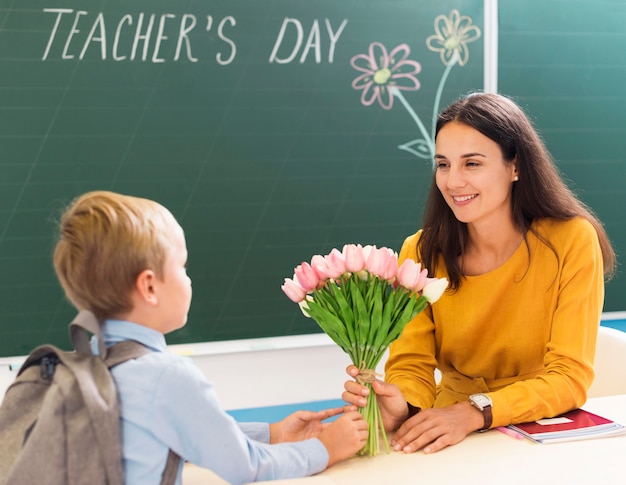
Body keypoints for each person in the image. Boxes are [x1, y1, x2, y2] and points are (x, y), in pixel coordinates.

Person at [342, 92, 617, 455]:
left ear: (515, 166)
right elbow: (411, 363)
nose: (453, 181)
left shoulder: (570, 240)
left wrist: (475, 411)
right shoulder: (421, 251)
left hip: (539, 428)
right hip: (451, 431)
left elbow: (568, 379)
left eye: (472, 164)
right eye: (443, 164)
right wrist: (403, 404)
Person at [53, 190, 368, 485]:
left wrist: (273, 432)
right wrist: (326, 447)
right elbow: (246, 465)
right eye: (182, 266)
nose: (188, 279)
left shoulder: (85, 364)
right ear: (149, 287)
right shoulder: (166, 377)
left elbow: (188, 430)